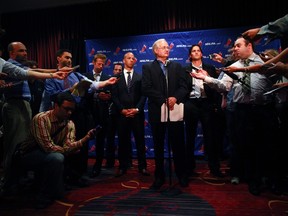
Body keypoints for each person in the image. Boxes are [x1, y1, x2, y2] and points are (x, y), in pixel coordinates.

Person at [192, 36, 279, 196]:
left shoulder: (264, 62)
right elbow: (223, 86)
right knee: (248, 147)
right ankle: (254, 181)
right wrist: (206, 78)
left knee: (267, 146)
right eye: (234, 46)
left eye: (238, 46)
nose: (235, 49)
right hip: (243, 112)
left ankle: (271, 179)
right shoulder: (233, 67)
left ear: (249, 46)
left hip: (264, 110)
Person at [41, 49, 117, 186]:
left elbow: (92, 85)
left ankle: (78, 174)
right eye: (66, 57)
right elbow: (53, 96)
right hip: (62, 117)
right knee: (65, 146)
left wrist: (106, 83)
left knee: (80, 145)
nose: (69, 60)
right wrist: (71, 90)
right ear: (58, 59)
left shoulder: (76, 75)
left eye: (70, 58)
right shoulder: (51, 77)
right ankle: (65, 176)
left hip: (79, 115)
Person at [0, 42, 69, 192]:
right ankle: (7, 182)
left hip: (23, 106)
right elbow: (32, 72)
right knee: (13, 145)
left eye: (26, 50)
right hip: (15, 106)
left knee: (22, 145)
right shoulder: (10, 64)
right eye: (21, 51)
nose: (25, 53)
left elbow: (35, 70)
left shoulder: (17, 65)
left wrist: (56, 71)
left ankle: (15, 179)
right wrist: (54, 73)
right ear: (11, 53)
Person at [17, 92, 98, 209]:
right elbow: (48, 147)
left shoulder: (69, 123)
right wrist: (68, 150)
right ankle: (44, 195)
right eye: (66, 109)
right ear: (56, 106)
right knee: (57, 157)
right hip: (28, 154)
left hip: (49, 153)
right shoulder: (41, 119)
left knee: (58, 157)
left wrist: (86, 139)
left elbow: (68, 145)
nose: (69, 113)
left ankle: (53, 188)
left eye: (71, 110)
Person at [142, 38, 189, 189]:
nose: (167, 49)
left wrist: (175, 98)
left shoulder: (176, 66)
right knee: (158, 144)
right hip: (157, 111)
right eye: (163, 47)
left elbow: (184, 86)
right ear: (156, 50)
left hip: (174, 110)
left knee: (178, 145)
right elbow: (146, 88)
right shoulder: (148, 67)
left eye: (168, 47)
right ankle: (159, 176)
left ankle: (182, 175)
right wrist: (164, 99)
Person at [183, 44, 225, 178]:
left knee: (210, 137)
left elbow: (216, 87)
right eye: (193, 51)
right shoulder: (184, 70)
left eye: (198, 50)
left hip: (207, 104)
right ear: (190, 55)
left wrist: (206, 78)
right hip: (191, 104)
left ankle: (214, 168)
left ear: (201, 54)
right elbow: (182, 88)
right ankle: (189, 168)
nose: (196, 52)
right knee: (190, 137)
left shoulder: (210, 68)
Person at [112, 52, 149, 177]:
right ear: (123, 60)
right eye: (128, 58)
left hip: (137, 115)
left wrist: (137, 109)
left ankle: (142, 167)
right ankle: (123, 166)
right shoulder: (116, 78)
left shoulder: (140, 77)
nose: (131, 60)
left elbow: (144, 95)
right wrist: (122, 109)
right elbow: (114, 96)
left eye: (133, 58)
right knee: (122, 141)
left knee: (140, 141)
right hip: (122, 115)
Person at [83, 53, 112, 178]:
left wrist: (108, 97)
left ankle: (98, 166)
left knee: (100, 142)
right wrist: (96, 95)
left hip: (102, 115)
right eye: (99, 63)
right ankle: (82, 166)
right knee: (83, 141)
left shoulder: (107, 77)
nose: (101, 66)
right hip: (87, 114)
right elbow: (82, 94)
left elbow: (112, 96)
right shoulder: (85, 76)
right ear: (93, 63)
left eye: (103, 64)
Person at [105, 63, 123, 168]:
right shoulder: (108, 82)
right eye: (116, 69)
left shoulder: (125, 82)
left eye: (120, 70)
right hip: (110, 114)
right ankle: (109, 161)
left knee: (123, 139)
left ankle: (125, 162)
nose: (117, 71)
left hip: (121, 114)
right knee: (110, 138)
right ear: (113, 71)